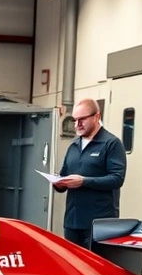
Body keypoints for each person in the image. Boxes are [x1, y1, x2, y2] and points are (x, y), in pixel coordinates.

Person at [53, 98, 127, 248]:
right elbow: (64, 175)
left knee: (94, 268)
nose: (77, 125)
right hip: (72, 222)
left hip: (98, 223)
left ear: (97, 117)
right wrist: (59, 183)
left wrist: (84, 181)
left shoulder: (111, 144)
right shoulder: (74, 146)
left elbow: (117, 179)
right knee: (72, 267)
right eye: (74, 120)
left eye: (82, 119)